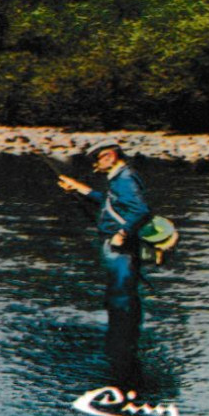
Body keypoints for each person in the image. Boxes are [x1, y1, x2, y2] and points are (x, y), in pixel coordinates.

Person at [57, 144, 151, 388]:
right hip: (116, 247)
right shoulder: (119, 178)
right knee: (121, 295)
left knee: (120, 297)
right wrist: (78, 189)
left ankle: (122, 347)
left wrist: (123, 232)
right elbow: (109, 203)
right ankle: (124, 340)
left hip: (120, 248)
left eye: (96, 160)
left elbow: (141, 210)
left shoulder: (125, 178)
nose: (95, 166)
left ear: (109, 156)